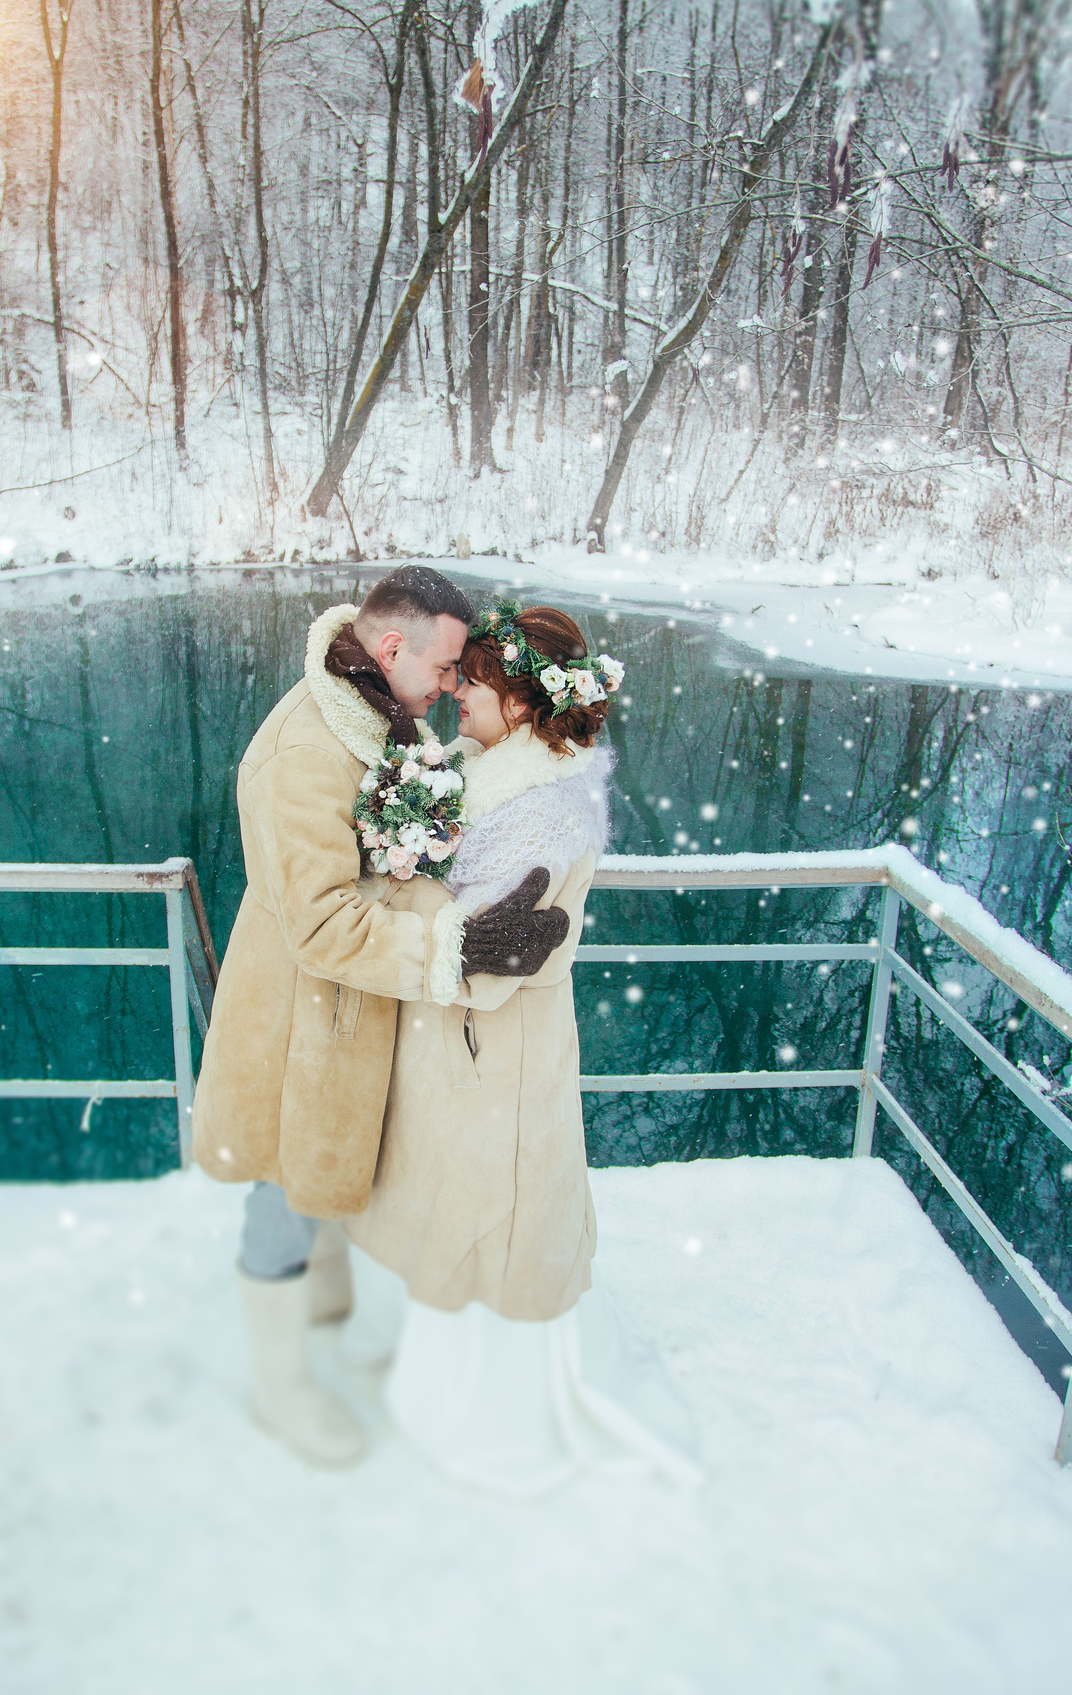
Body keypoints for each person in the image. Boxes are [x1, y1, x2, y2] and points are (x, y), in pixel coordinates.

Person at [192, 568, 574, 1468]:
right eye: (445, 665)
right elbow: (322, 922)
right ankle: (280, 1387)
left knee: (322, 1166)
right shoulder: (303, 753)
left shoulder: (375, 713)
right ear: (393, 648)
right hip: (296, 1015)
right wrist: (458, 949)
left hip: (347, 1006)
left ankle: (322, 1312)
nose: (453, 684)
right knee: (284, 1185)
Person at [345, 601, 702, 1495]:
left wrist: (398, 890)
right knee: (463, 1224)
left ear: (521, 708)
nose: (456, 690)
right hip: (472, 1056)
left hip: (490, 1063)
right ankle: (446, 1382)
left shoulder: (544, 816)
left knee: (486, 1229)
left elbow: (490, 964)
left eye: (477, 682)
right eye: (459, 674)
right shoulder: (492, 772)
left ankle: (490, 1413)